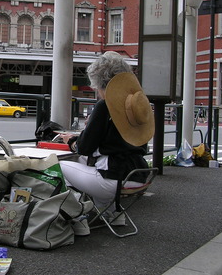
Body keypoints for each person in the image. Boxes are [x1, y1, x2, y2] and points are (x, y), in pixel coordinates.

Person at [59, 51, 154, 232]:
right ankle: (114, 215)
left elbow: (85, 147)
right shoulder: (135, 103)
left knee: (59, 166)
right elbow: (120, 142)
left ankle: (77, 217)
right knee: (84, 164)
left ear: (101, 84)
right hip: (139, 174)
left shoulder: (105, 105)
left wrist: (72, 140)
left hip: (114, 179)